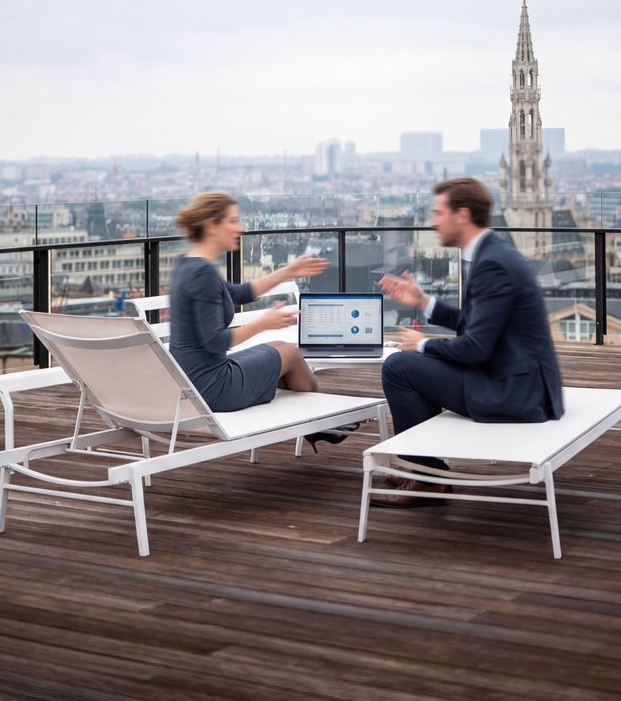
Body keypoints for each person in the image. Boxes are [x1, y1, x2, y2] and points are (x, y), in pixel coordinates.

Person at [373, 176, 565, 507]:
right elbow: (480, 327)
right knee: (415, 365)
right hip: (518, 379)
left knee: (399, 367)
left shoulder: (491, 264)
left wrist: (422, 344)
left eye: (439, 213)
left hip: (514, 391)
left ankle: (427, 479)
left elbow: (475, 347)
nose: (433, 222)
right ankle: (428, 472)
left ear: (462, 214)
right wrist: (424, 302)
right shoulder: (496, 251)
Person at [170, 192, 344, 443]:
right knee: (291, 353)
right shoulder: (202, 273)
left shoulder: (188, 266)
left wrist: (286, 272)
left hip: (192, 381)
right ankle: (320, 423)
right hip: (213, 388)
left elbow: (237, 293)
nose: (240, 228)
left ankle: (313, 424)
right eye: (233, 221)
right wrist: (263, 323)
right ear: (211, 226)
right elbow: (215, 341)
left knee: (279, 347)